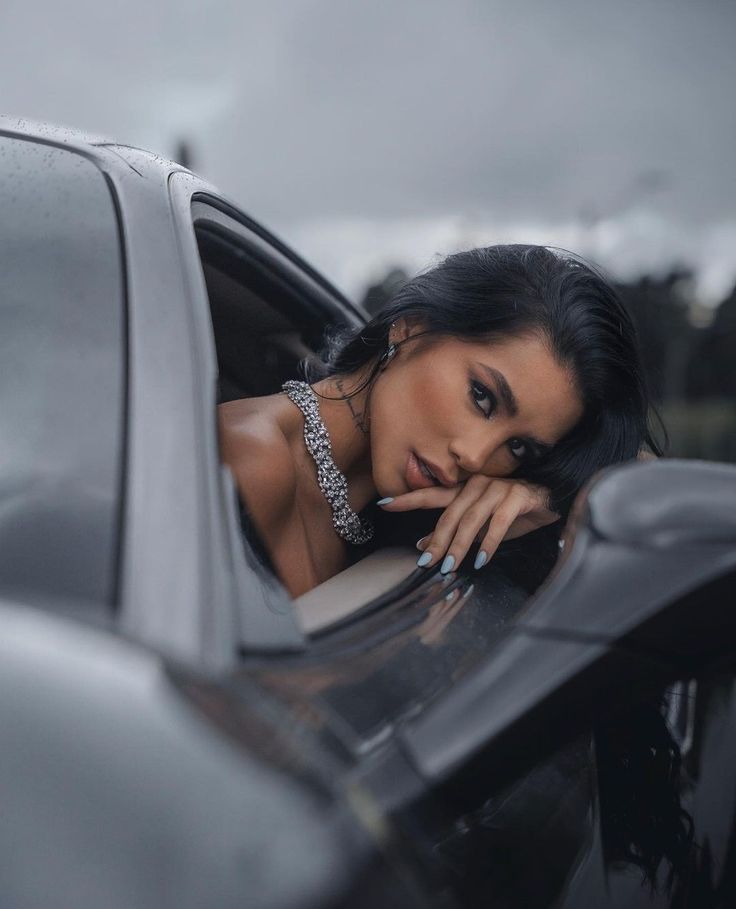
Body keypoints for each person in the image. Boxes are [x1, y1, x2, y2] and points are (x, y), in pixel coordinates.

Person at [218, 245, 661, 598]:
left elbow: (645, 482)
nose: (474, 455)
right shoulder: (251, 455)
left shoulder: (408, 517)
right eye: (482, 397)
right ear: (409, 328)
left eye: (519, 447)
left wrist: (551, 492)